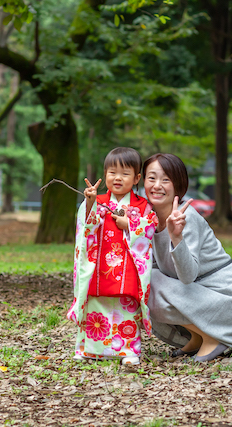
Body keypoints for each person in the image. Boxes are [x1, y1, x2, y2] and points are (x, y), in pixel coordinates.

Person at [143, 153, 232, 362]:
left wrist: (177, 238)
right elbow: (154, 264)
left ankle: (213, 337)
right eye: (151, 178)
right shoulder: (150, 217)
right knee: (142, 279)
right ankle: (197, 336)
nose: (157, 185)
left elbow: (187, 276)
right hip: (201, 296)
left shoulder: (187, 217)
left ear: (178, 184)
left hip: (226, 299)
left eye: (165, 179)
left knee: (150, 281)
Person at [67, 147, 158, 365]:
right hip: (99, 268)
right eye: (112, 172)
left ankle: (127, 351)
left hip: (127, 270)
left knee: (126, 309)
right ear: (104, 173)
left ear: (136, 178)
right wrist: (90, 202)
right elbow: (86, 227)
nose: (117, 178)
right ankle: (88, 349)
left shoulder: (142, 206)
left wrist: (131, 224)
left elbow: (151, 227)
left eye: (125, 174)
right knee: (95, 306)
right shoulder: (97, 201)